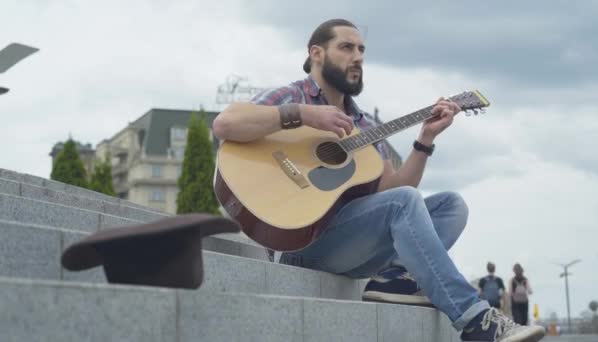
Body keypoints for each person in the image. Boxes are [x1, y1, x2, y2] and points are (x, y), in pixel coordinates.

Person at [213, 18, 545, 342]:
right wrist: (302, 114)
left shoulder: (366, 125)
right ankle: (477, 321)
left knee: (451, 205)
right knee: (405, 203)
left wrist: (424, 141)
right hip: (298, 241)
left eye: (361, 49)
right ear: (316, 53)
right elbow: (225, 125)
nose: (357, 56)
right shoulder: (293, 95)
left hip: (347, 242)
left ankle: (393, 279)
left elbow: (393, 193)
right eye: (346, 47)